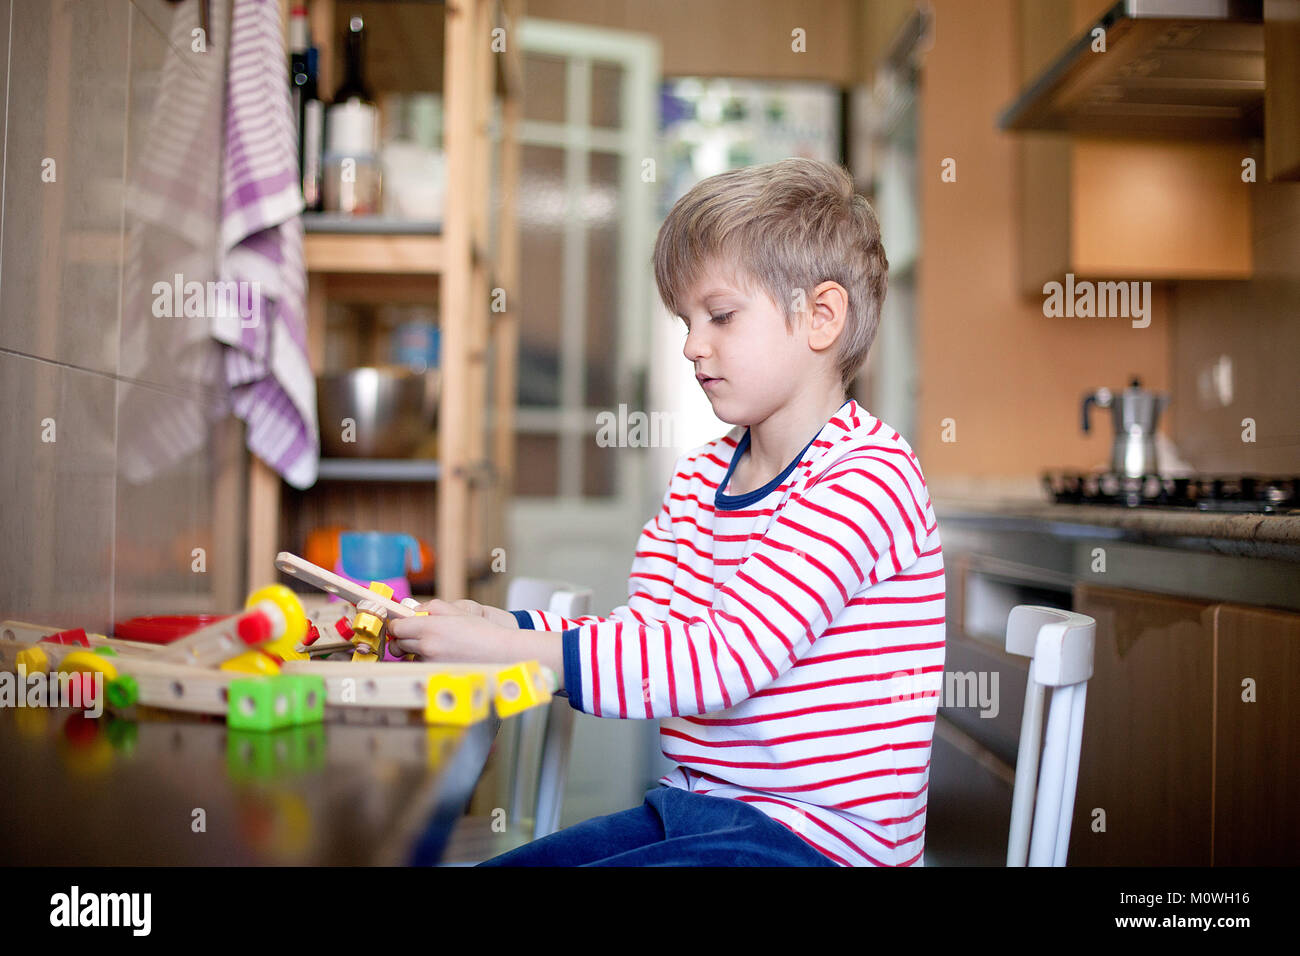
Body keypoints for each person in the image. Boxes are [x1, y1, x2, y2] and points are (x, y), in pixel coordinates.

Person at [388, 157, 945, 866]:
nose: (691, 345)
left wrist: (520, 653)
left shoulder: (866, 476)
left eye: (720, 315)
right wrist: (509, 627)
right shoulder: (705, 475)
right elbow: (654, 632)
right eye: (686, 320)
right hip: (698, 812)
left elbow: (726, 658)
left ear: (821, 317)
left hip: (820, 847)